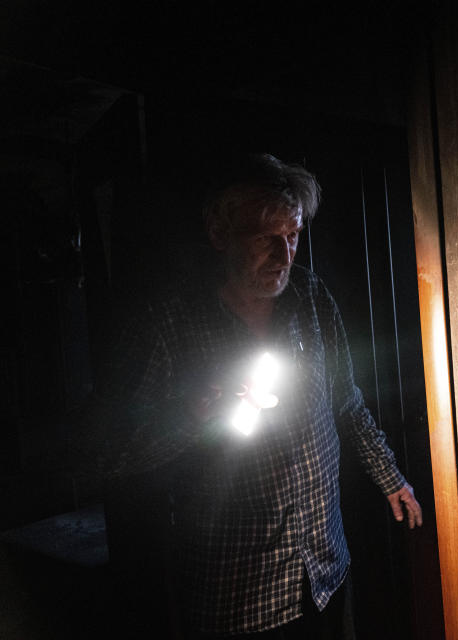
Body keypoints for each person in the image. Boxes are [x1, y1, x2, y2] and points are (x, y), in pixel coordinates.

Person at [77, 153, 422, 638]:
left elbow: (345, 398)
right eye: (265, 239)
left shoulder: (310, 296)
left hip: (323, 570)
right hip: (240, 594)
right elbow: (103, 452)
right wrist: (191, 415)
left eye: (293, 237)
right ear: (220, 236)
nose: (285, 257)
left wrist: (390, 478)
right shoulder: (170, 322)